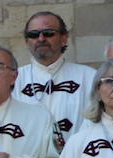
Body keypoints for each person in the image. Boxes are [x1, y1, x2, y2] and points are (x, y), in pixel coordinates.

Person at [14, 11, 95, 150]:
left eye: (49, 33)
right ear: (27, 41)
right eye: (33, 34)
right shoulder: (14, 80)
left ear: (64, 38)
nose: (41, 39)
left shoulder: (89, 77)